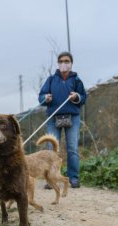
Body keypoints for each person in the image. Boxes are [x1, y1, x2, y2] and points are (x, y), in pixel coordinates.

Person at [38, 52, 87, 188]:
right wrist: (45, 98)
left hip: (73, 117)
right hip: (54, 117)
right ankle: (51, 179)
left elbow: (83, 98)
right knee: (51, 149)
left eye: (66, 61)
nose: (63, 64)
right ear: (58, 63)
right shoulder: (51, 80)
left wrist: (76, 96)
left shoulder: (76, 80)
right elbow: (41, 97)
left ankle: (74, 178)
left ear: (71, 63)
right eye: (61, 61)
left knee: (72, 148)